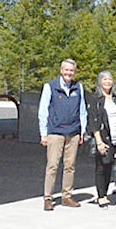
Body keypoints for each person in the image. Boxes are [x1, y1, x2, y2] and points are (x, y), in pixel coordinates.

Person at [38, 58, 88, 211]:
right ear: (61, 70)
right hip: (55, 132)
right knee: (52, 166)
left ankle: (67, 196)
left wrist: (82, 132)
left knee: (70, 166)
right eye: (66, 70)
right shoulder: (50, 87)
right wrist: (43, 133)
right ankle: (48, 198)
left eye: (71, 71)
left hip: (73, 132)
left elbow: (82, 111)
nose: (68, 73)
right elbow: (43, 111)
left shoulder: (78, 87)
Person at [88, 71, 116, 208]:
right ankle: (101, 196)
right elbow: (93, 121)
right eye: (105, 79)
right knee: (101, 167)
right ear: (100, 82)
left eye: (110, 79)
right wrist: (99, 141)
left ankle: (105, 193)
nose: (108, 82)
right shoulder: (96, 99)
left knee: (109, 166)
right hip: (103, 138)